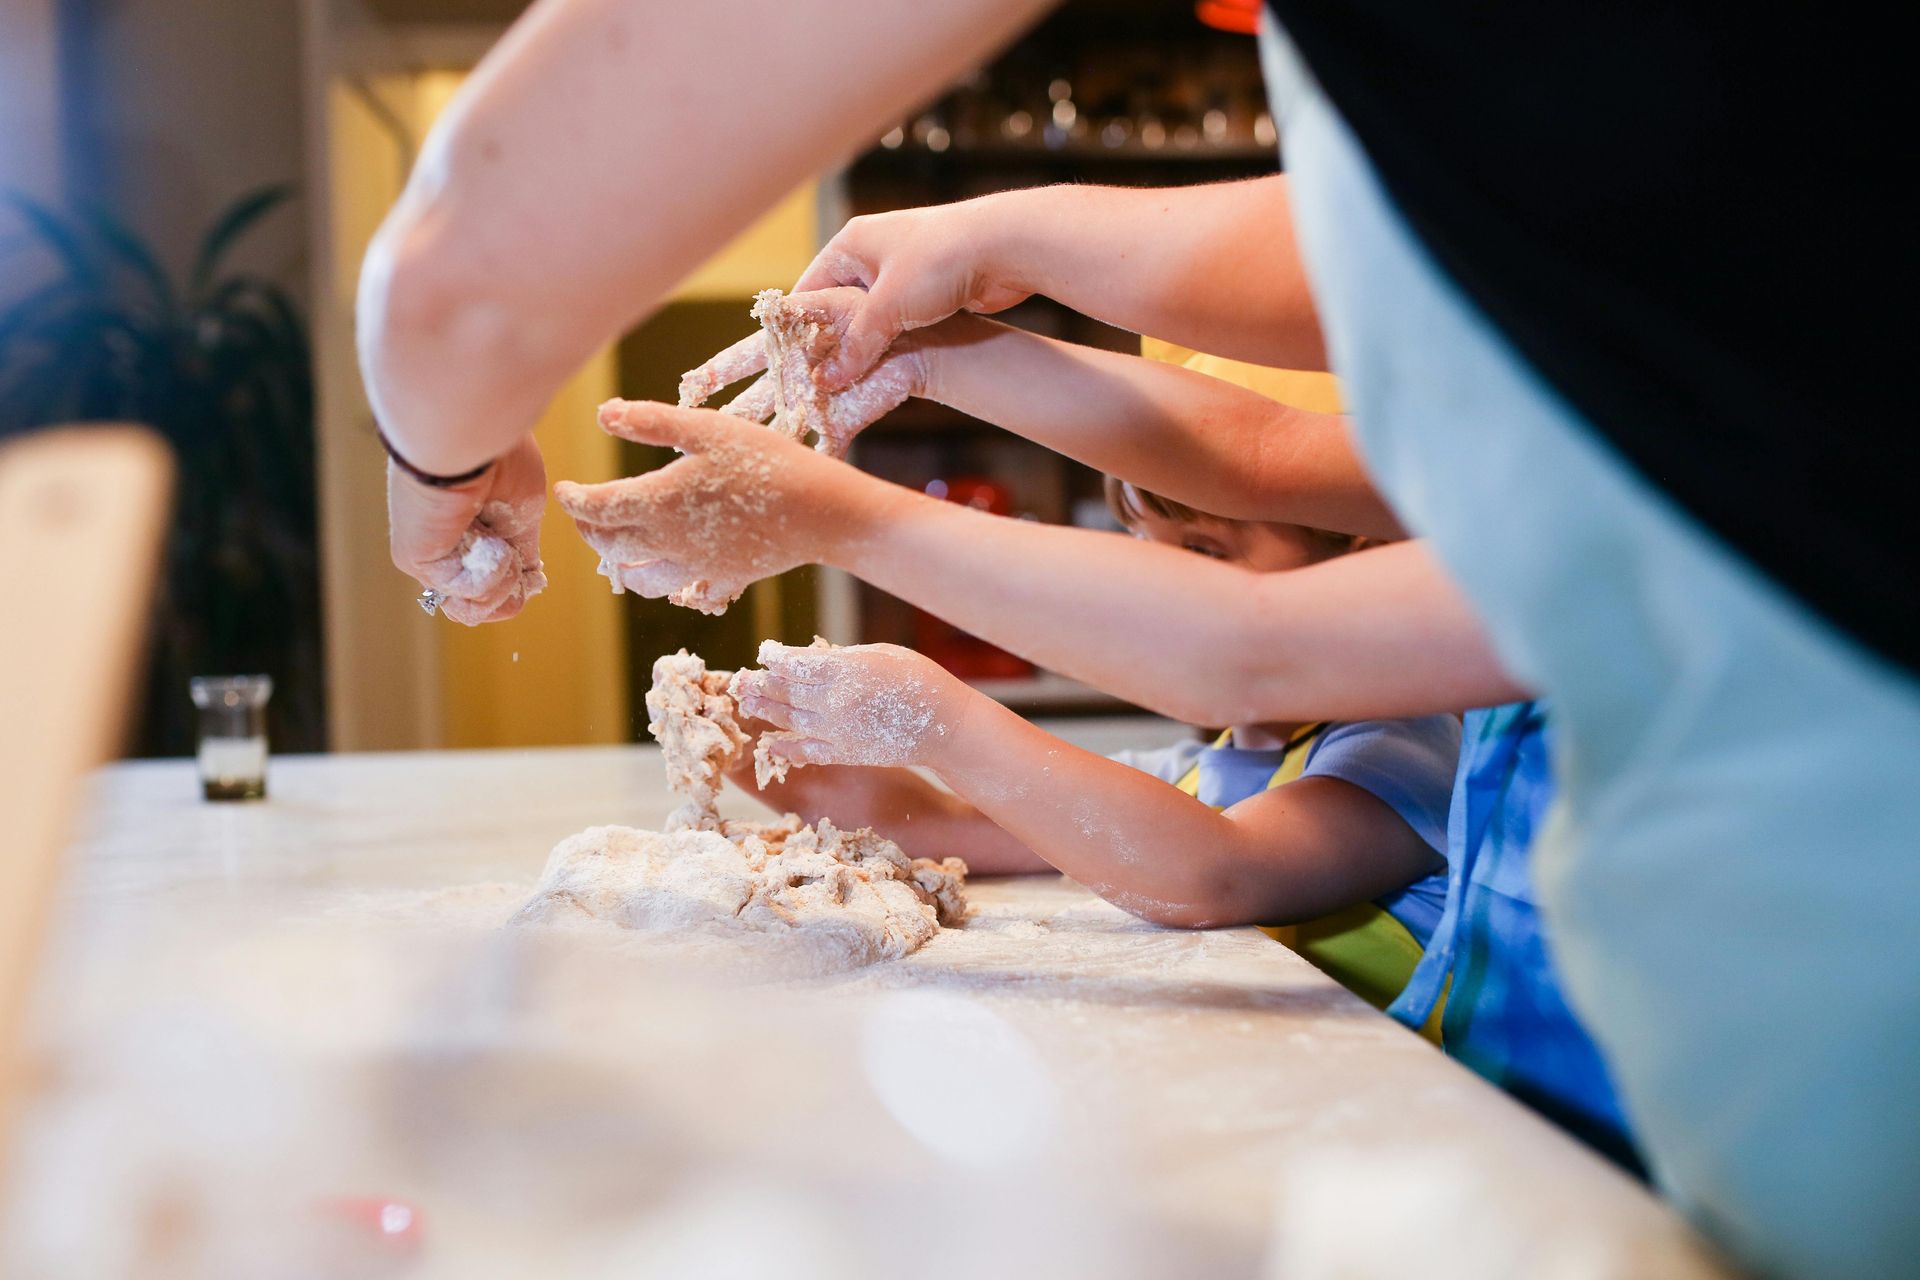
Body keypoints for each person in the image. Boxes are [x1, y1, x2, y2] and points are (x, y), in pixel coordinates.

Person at [359, 3, 1917, 1272]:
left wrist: (848, 533)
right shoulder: (1629, 323)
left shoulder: (1663, 445)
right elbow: (1247, 444)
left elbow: (1253, 653)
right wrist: (952, 312)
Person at [734, 478, 1458, 1014]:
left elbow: (1218, 873)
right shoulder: (1191, 777)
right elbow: (942, 825)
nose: (1162, 587)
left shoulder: (1411, 749)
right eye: (1147, 554)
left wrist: (945, 725)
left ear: (1360, 562)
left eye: (1207, 550)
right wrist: (736, 732)